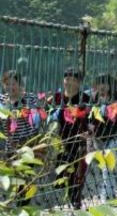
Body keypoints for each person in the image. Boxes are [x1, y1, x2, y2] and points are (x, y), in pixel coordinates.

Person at [49, 67, 91, 210]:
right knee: (62, 172)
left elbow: (92, 118)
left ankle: (76, 200)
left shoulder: (85, 99)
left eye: (74, 80)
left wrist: (90, 132)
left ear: (79, 83)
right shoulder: (56, 98)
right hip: (61, 140)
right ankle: (69, 198)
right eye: (67, 79)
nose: (69, 82)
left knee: (78, 171)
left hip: (80, 140)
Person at [1, 70, 40, 207]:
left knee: (26, 179)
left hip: (27, 146)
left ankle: (23, 206)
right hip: (9, 148)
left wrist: (22, 106)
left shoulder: (30, 98)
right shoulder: (1, 100)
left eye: (13, 83)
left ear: (19, 83)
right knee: (13, 180)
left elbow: (35, 121)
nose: (10, 87)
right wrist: (5, 107)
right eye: (6, 84)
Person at [88, 73, 117, 202]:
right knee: (107, 168)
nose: (102, 87)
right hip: (99, 140)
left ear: (111, 85)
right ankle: (112, 194)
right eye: (100, 84)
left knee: (107, 167)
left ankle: (106, 198)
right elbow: (91, 119)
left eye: (105, 84)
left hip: (116, 138)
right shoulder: (93, 100)